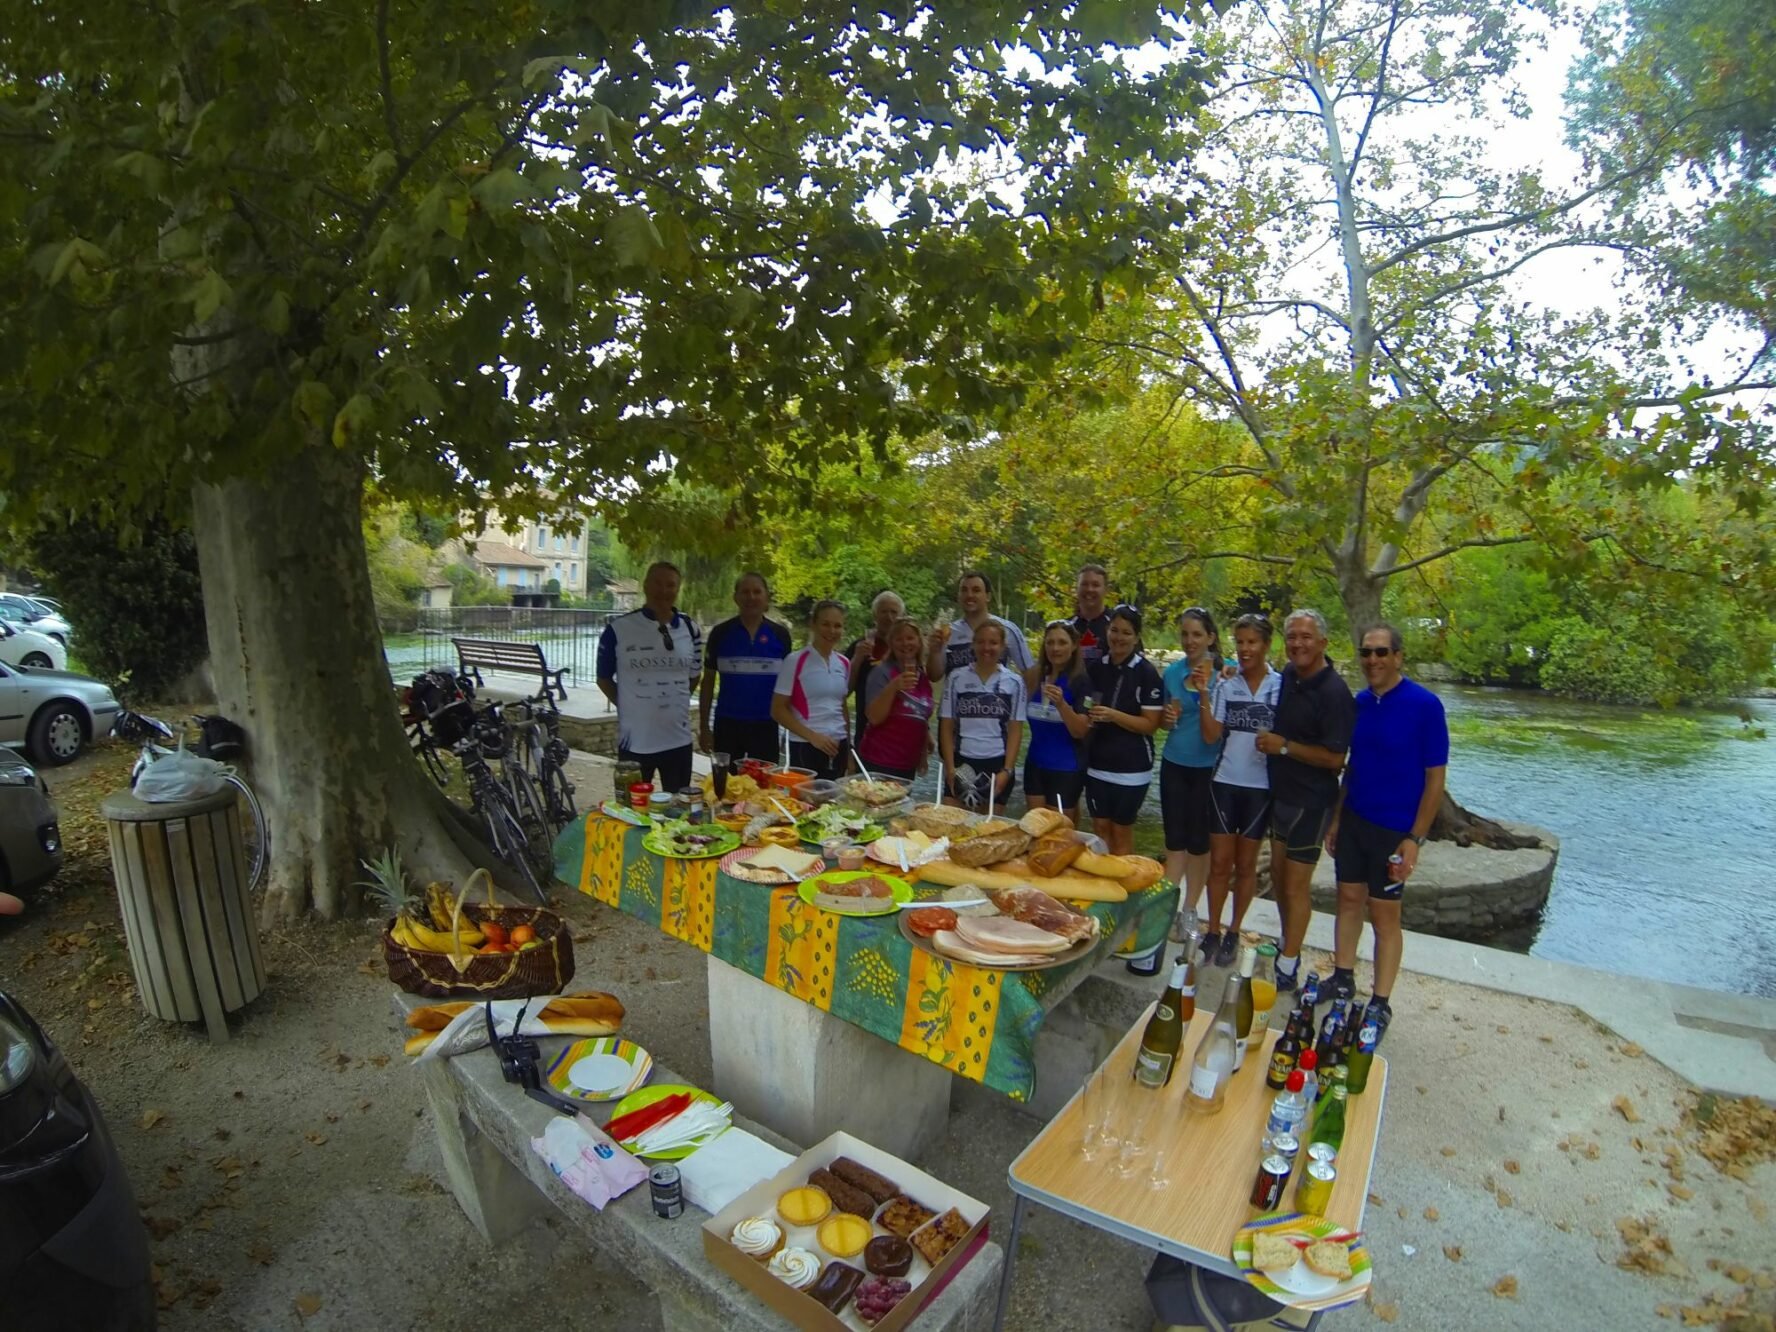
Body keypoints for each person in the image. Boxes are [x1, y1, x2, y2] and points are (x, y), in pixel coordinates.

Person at [1327, 624, 1448, 1021]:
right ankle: (1343, 976)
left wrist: (1415, 838)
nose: (1373, 660)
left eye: (1381, 653)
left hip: (1395, 830)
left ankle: (1380, 1002)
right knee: (1347, 900)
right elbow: (1353, 767)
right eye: (1366, 653)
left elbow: (1435, 781)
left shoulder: (1425, 706)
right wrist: (1336, 819)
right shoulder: (1359, 703)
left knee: (1384, 915)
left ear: (1398, 657)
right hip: (1356, 820)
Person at [1255, 608, 1355, 995]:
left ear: (1323, 643)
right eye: (1292, 636)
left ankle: (1287, 965)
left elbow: (1335, 759)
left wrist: (1284, 747)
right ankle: (1287, 946)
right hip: (1281, 795)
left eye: (1306, 637)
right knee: (1279, 879)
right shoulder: (1288, 678)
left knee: (1296, 886)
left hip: (1312, 803)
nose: (1298, 643)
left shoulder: (1334, 693)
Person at [1198, 613, 1280, 967]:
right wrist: (1204, 691)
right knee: (1219, 864)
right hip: (1225, 782)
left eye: (1252, 642)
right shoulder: (1226, 684)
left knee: (1246, 865)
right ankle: (1212, 930)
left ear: (1266, 645)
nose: (1245, 649)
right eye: (1240, 642)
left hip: (1260, 788)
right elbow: (1211, 735)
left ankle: (1234, 931)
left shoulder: (1281, 686)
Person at [596, 561, 703, 792]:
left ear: (677, 589)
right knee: (631, 813)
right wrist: (630, 705)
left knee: (678, 813)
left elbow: (695, 675)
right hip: (635, 742)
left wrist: (674, 699)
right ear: (645, 586)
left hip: (678, 741)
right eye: (657, 583)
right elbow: (603, 679)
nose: (663, 591)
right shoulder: (618, 629)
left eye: (670, 585)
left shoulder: (690, 628)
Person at [1083, 604, 1164, 856]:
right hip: (1097, 764)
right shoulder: (1096, 667)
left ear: (1136, 637)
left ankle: (1124, 890)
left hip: (1132, 768)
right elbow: (1087, 707)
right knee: (1099, 828)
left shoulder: (1146, 672)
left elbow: (1151, 725)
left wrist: (1113, 715)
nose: (1118, 637)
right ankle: (1101, 887)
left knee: (1121, 831)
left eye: (1126, 632)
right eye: (1114, 630)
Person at [1159, 607, 1224, 922]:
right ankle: (1167, 901)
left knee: (1199, 842)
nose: (1190, 640)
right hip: (1174, 761)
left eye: (1197, 634)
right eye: (1185, 634)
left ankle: (1190, 908)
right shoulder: (1172, 673)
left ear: (1211, 637)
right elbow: (1163, 718)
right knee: (1174, 837)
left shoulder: (1226, 673)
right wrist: (1166, 718)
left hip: (1209, 766)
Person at [698, 571, 792, 762]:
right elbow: (707, 683)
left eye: (757, 592)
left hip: (766, 724)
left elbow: (789, 687)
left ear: (766, 597)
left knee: (765, 788)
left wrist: (787, 731)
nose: (751, 597)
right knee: (727, 785)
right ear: (736, 597)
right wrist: (704, 727)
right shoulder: (720, 633)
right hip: (727, 724)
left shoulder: (780, 635)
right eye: (745, 592)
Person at [938, 620, 1025, 810]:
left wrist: (1007, 770)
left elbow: (1015, 730)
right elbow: (946, 725)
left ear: (1002, 647)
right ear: (973, 645)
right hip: (962, 761)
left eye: (993, 643)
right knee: (952, 825)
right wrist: (950, 767)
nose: (987, 648)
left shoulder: (1014, 682)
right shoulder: (956, 678)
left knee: (989, 830)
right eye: (981, 642)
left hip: (997, 763)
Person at [772, 600, 853, 781]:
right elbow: (777, 710)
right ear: (813, 624)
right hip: (806, 745)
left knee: (834, 803)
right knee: (806, 803)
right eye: (825, 624)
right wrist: (813, 737)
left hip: (838, 745)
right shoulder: (795, 661)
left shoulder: (844, 663)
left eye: (837, 626)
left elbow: (842, 707)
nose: (832, 631)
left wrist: (848, 751)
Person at [1021, 619, 1091, 821]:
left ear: (1074, 645)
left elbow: (1080, 730)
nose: (1055, 648)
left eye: (1062, 642)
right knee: (1034, 830)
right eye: (1050, 642)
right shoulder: (1035, 676)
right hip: (1035, 764)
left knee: (1059, 836)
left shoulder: (1082, 682)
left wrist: (1061, 704)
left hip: (1066, 767)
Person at [858, 616, 936, 781]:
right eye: (899, 639)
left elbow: (921, 718)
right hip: (879, 761)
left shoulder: (922, 677)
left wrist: (923, 754)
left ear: (919, 642)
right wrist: (893, 687)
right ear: (891, 644)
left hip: (907, 765)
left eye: (910, 638)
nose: (905, 643)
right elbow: (873, 717)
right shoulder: (881, 673)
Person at [928, 570, 1033, 679]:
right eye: (964, 590)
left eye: (976, 590)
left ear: (988, 596)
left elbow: (1030, 671)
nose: (969, 595)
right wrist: (934, 652)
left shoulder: (1008, 630)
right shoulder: (948, 633)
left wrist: (1019, 695)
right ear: (958, 596)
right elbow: (934, 676)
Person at [847, 590, 905, 744]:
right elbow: (844, 691)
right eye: (883, 611)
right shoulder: (859, 646)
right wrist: (857, 659)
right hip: (867, 731)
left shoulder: (906, 649)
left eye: (894, 612)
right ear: (875, 616)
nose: (889, 617)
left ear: (901, 617)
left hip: (901, 733)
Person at [1068, 563, 1113, 665]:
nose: (1089, 589)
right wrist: (1062, 682)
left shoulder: (1118, 627)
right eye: (1084, 584)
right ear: (1076, 588)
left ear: (1106, 590)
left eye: (1095, 585)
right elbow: (1055, 670)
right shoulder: (1066, 628)